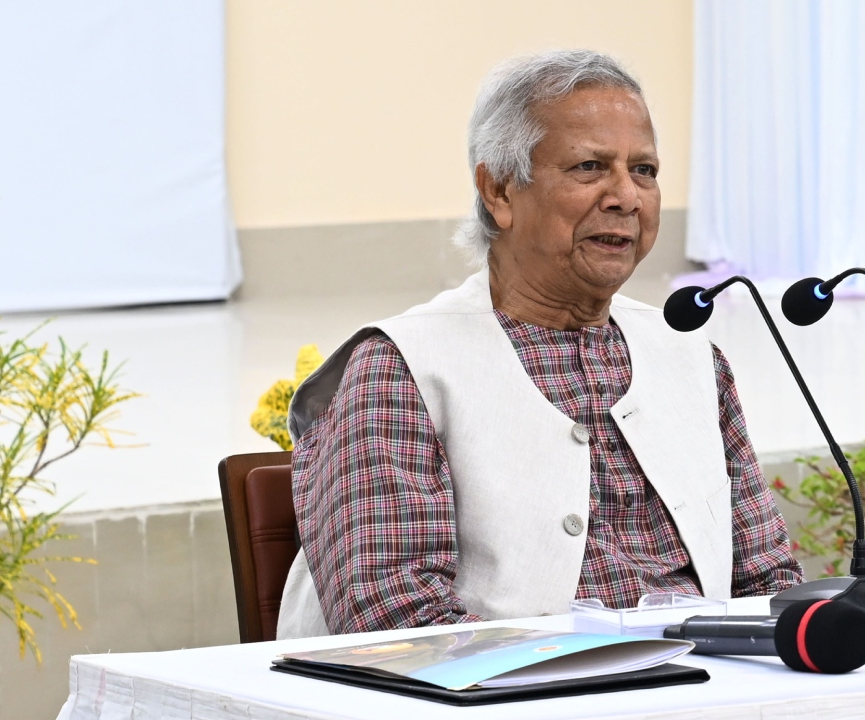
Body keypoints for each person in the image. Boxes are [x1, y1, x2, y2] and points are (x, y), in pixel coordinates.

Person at [279, 49, 802, 640]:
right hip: (507, 686)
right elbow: (395, 622)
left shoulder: (689, 355)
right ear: (499, 191)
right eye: (589, 167)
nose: (626, 197)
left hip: (705, 679)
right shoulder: (403, 366)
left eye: (644, 170)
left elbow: (766, 581)